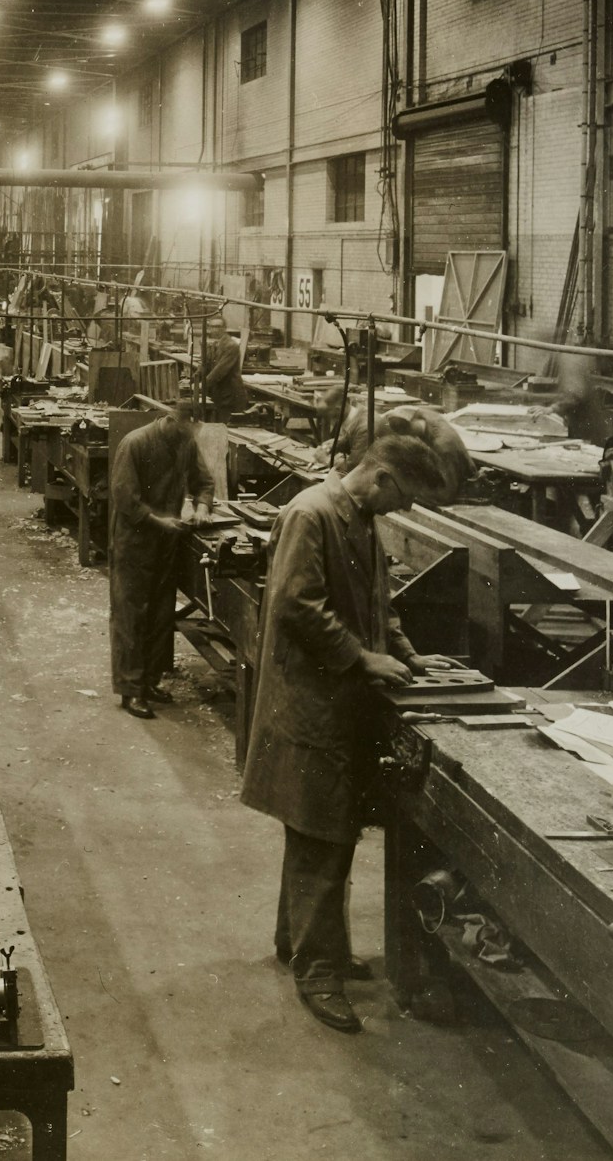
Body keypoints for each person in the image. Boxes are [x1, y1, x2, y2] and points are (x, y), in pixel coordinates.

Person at [240, 410, 472, 1034]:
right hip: (310, 705)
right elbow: (296, 606)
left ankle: (303, 942)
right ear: (382, 476)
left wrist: (401, 647)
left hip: (338, 703)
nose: (402, 509)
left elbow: (377, 598)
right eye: (405, 496)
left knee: (320, 829)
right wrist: (360, 656)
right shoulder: (310, 515)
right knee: (323, 834)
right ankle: (319, 973)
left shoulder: (361, 522)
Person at [108, 401, 215, 719]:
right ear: (170, 419)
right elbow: (125, 497)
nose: (190, 435)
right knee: (132, 615)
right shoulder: (136, 443)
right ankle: (131, 690)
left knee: (159, 614)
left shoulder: (185, 441)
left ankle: (150, 682)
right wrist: (160, 522)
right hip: (135, 542)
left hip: (166, 543)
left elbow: (204, 482)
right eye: (187, 428)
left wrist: (203, 506)